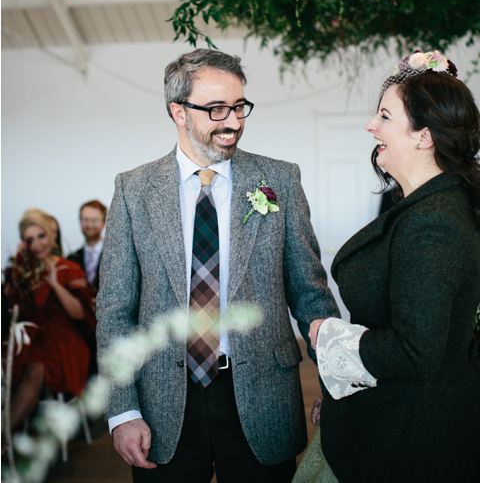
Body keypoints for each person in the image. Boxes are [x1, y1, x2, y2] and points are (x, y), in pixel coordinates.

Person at [97, 48, 340, 482]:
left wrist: (333, 384)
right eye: (216, 109)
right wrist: (123, 410)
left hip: (264, 396)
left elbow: (310, 293)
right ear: (178, 111)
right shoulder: (133, 190)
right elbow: (115, 310)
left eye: (239, 106)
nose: (233, 122)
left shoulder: (279, 180)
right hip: (162, 404)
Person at [299, 51, 480, 482]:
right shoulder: (428, 205)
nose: (370, 126)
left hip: (408, 437)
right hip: (390, 417)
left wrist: (329, 339)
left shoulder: (434, 221)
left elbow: (416, 351)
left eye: (384, 116)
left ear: (424, 137)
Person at [6, 208, 96, 430]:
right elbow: (10, 305)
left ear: (51, 235)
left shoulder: (70, 269)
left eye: (41, 236)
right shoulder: (24, 270)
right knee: (7, 369)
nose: (37, 243)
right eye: (30, 239)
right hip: (30, 336)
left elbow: (79, 313)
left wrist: (55, 285)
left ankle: (4, 435)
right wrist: (18, 268)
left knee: (34, 371)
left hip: (64, 339)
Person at [67, 199, 108, 289]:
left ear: (104, 222)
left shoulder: (114, 256)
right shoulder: (71, 258)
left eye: (95, 220)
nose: (89, 224)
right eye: (85, 219)